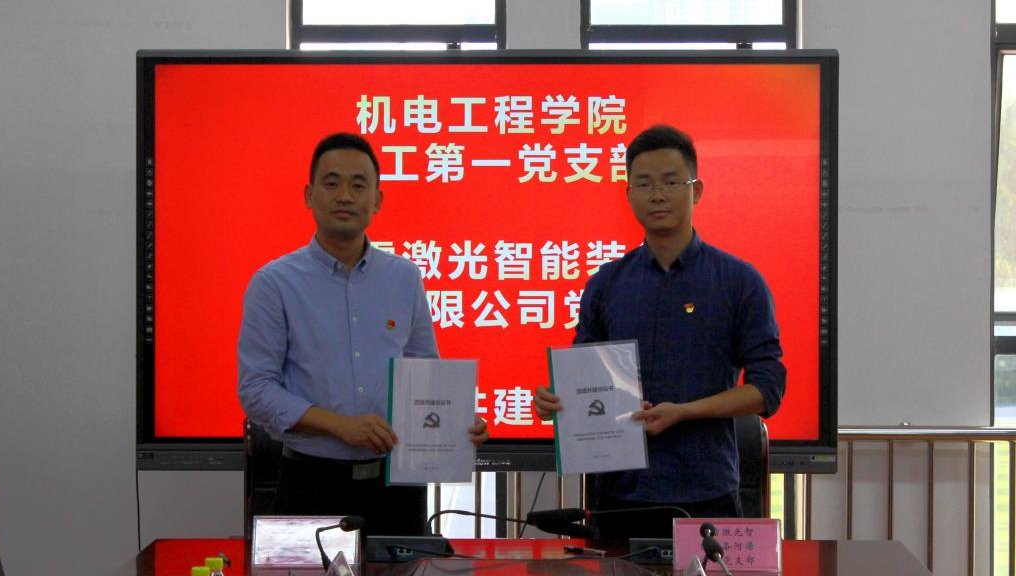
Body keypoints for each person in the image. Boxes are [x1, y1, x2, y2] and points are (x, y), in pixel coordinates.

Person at [534, 124, 786, 541]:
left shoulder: (739, 281)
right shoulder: (607, 283)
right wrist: (556, 400)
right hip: (619, 491)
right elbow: (584, 375)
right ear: (629, 193)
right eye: (644, 183)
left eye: (671, 182)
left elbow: (767, 388)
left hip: (705, 489)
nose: (657, 194)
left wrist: (685, 411)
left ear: (696, 190)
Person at [238, 132, 488, 536]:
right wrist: (340, 426)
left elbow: (424, 374)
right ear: (309, 195)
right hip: (310, 483)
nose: (345, 196)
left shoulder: (404, 277)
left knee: (406, 565)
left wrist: (456, 420)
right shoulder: (275, 283)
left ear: (377, 200)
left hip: (396, 487)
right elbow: (257, 390)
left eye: (358, 185)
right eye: (331, 183)